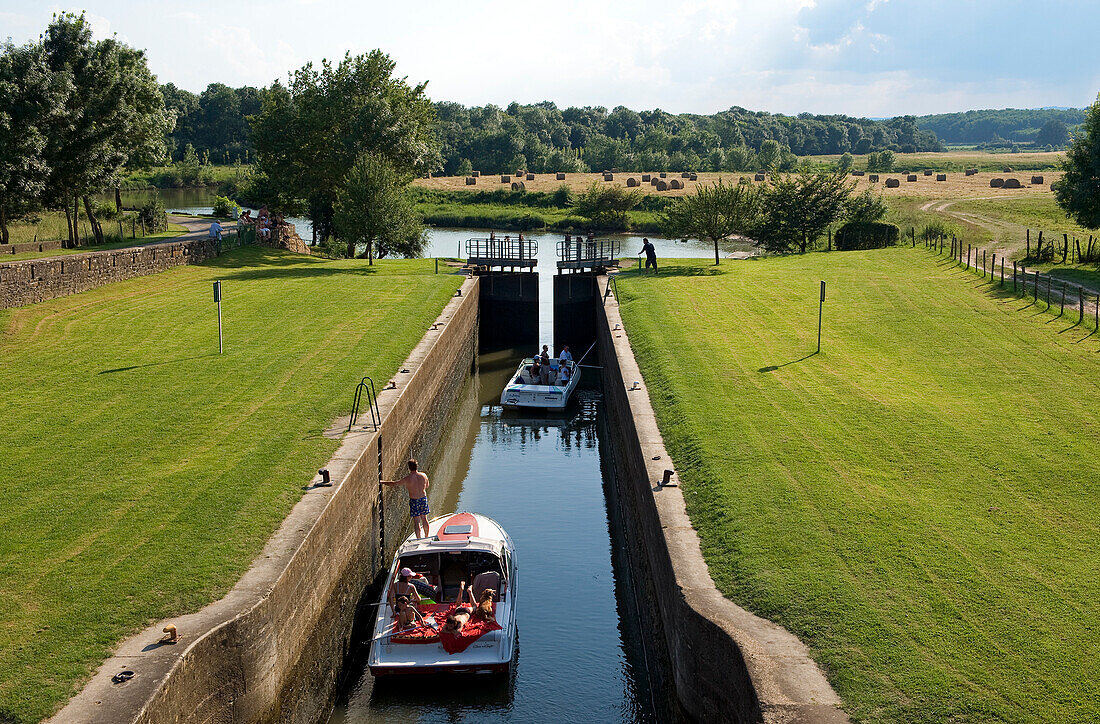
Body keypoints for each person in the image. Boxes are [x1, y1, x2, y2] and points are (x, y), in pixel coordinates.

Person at [382, 459, 431, 538]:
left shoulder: (407, 479)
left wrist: (383, 482)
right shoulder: (424, 475)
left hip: (414, 500)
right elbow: (427, 485)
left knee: (416, 521)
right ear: (416, 466)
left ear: (409, 468)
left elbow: (394, 484)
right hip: (423, 498)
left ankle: (419, 539)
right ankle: (426, 536)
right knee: (424, 518)